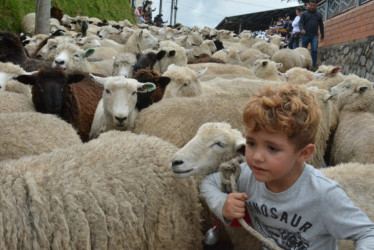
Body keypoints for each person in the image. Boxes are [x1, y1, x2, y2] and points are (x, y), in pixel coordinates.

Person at [200, 84, 374, 249]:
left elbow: (366, 233)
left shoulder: (323, 194)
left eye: (272, 148)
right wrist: (222, 203)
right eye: (251, 143)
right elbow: (208, 183)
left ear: (303, 153)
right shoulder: (247, 175)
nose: (256, 157)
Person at [299, 0, 324, 71]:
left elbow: (321, 25)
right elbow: (300, 23)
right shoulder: (304, 14)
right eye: (311, 5)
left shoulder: (319, 14)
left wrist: (322, 35)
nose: (312, 7)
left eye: (314, 6)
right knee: (303, 50)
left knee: (314, 50)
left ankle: (313, 65)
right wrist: (302, 29)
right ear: (308, 5)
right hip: (305, 35)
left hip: (314, 36)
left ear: (316, 6)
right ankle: (302, 65)